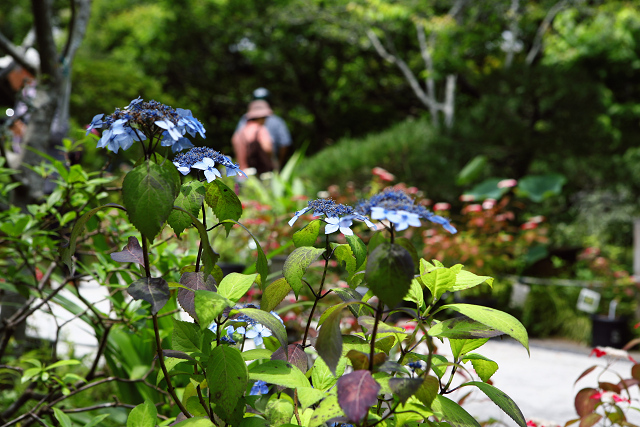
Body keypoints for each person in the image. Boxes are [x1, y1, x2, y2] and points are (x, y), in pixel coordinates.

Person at [235, 88, 291, 170]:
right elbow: (273, 147)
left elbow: (236, 141)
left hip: (245, 169)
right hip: (264, 168)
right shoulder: (262, 129)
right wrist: (277, 163)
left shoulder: (244, 123)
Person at [232, 100, 274, 175]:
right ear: (261, 117)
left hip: (242, 173)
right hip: (258, 174)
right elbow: (267, 148)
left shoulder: (239, 132)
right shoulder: (260, 130)